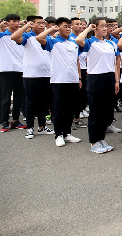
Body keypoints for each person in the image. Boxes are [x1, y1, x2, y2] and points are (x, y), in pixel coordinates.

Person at [75, 17, 120, 154]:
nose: (105, 28)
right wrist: (89, 28)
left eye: (106, 26)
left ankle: (101, 139)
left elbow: (114, 63)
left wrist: (116, 81)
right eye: (102, 26)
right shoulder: (90, 42)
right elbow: (78, 40)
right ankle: (94, 141)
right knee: (96, 111)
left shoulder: (110, 43)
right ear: (95, 27)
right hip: (96, 78)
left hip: (109, 77)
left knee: (105, 111)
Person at [36, 17, 82, 146]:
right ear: (58, 28)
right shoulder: (53, 41)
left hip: (73, 80)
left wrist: (79, 78)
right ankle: (59, 135)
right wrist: (51, 29)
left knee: (70, 109)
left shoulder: (73, 43)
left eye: (69, 26)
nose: (68, 29)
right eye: (65, 26)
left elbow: (77, 61)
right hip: (59, 81)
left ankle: (67, 133)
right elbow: (39, 38)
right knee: (58, 109)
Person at [11, 16, 54, 139]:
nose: (42, 25)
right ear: (32, 24)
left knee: (43, 102)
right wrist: (26, 26)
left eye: (43, 23)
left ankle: (42, 126)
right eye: (38, 23)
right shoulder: (28, 36)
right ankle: (30, 128)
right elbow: (14, 37)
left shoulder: (48, 37)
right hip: (31, 75)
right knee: (30, 102)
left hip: (46, 74)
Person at [0, 14, 26, 132]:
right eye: (14, 21)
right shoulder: (1, 35)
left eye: (18, 21)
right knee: (6, 98)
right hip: (6, 70)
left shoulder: (21, 35)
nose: (17, 23)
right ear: (7, 22)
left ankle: (15, 120)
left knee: (18, 97)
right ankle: (4, 121)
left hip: (21, 70)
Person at [70, 17, 89, 127]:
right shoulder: (71, 38)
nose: (80, 26)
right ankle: (73, 118)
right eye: (77, 24)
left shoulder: (83, 38)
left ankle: (78, 115)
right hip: (74, 69)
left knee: (82, 94)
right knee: (74, 95)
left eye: (81, 24)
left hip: (83, 68)